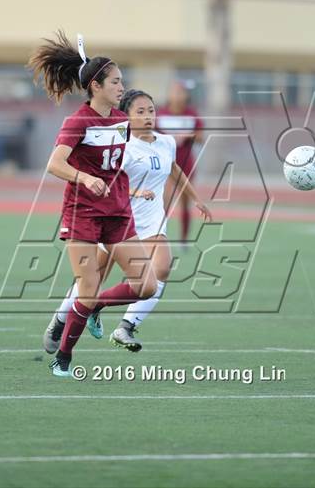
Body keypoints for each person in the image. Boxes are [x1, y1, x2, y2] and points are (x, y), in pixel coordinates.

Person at [29, 31, 158, 377]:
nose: (122, 87)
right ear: (96, 86)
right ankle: (64, 357)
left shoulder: (120, 119)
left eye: (122, 81)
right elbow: (55, 164)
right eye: (116, 82)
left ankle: (92, 308)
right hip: (82, 213)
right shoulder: (77, 122)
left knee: (146, 284)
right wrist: (84, 178)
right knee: (86, 285)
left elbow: (116, 166)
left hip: (117, 213)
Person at [45, 89, 212, 353]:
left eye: (151, 110)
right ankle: (61, 319)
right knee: (90, 282)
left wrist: (195, 199)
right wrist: (135, 192)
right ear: (126, 116)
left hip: (152, 223)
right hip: (117, 219)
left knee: (162, 270)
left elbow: (174, 170)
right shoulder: (121, 144)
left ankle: (126, 325)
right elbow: (109, 180)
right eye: (140, 112)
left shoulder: (165, 142)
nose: (148, 116)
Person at [156, 81, 204, 244]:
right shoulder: (160, 114)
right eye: (174, 91)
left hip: (186, 165)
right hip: (166, 165)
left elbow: (200, 138)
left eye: (181, 92)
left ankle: (183, 239)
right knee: (164, 202)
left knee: (185, 203)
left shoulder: (191, 114)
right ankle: (158, 236)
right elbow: (151, 137)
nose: (177, 95)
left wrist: (187, 135)